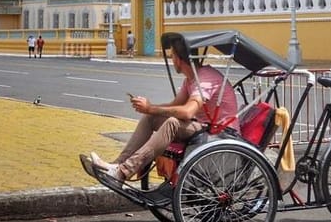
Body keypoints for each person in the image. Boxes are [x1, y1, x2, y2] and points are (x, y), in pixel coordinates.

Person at [84, 33, 239, 181]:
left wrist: (151, 108)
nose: (172, 60)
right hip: (205, 128)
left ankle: (124, 171)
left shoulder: (206, 78)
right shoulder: (190, 80)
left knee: (172, 123)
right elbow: (174, 106)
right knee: (152, 117)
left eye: (172, 56)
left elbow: (187, 112)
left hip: (220, 132)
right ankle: (117, 165)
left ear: (178, 59)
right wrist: (149, 108)